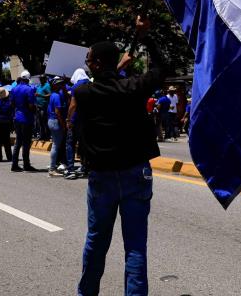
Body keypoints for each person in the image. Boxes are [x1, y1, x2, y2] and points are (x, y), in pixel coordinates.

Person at [72, 16, 170, 296]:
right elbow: (162, 68)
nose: (87, 62)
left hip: (102, 176)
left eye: (89, 58)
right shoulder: (133, 89)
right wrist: (146, 36)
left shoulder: (84, 91)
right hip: (136, 173)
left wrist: (117, 69)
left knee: (96, 241)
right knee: (136, 246)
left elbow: (102, 84)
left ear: (98, 63)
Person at [10, 71, 38, 172]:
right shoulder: (29, 89)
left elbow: (12, 104)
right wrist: (35, 110)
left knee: (18, 142)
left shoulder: (14, 89)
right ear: (28, 79)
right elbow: (31, 105)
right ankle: (26, 164)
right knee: (26, 143)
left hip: (17, 117)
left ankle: (14, 165)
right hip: (26, 118)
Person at [47, 77, 68, 177]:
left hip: (51, 121)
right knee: (56, 145)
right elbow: (58, 112)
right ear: (55, 85)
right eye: (59, 84)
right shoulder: (56, 96)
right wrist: (63, 125)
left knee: (56, 145)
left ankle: (53, 166)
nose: (61, 85)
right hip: (56, 121)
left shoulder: (53, 95)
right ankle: (52, 168)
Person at [35, 75, 51, 140]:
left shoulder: (47, 85)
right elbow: (37, 93)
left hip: (44, 107)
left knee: (45, 122)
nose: (40, 80)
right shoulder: (39, 86)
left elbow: (50, 94)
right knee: (40, 122)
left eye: (41, 79)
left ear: (44, 79)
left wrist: (41, 95)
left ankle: (47, 136)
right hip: (38, 107)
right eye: (40, 79)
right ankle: (42, 136)